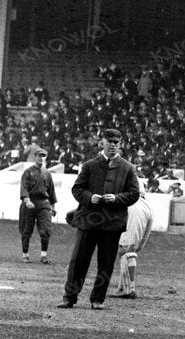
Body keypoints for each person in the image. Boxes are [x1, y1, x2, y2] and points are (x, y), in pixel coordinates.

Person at [59, 128, 142, 310]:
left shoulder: (128, 168)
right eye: (109, 142)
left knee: (106, 264)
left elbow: (134, 194)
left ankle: (97, 299)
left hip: (112, 224)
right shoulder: (89, 165)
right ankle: (69, 297)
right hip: (89, 221)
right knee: (78, 261)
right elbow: (77, 189)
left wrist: (116, 199)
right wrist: (90, 197)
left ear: (120, 145)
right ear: (101, 143)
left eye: (116, 143)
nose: (113, 146)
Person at [18, 145, 57, 264]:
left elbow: (51, 191)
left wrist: (53, 206)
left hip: (43, 204)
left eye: (43, 156)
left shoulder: (47, 173)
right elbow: (24, 188)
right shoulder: (28, 172)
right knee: (26, 230)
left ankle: (43, 256)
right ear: (34, 157)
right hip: (29, 203)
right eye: (39, 156)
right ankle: (25, 254)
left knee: (46, 230)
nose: (41, 158)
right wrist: (27, 200)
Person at [110, 196, 155, 299]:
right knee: (128, 251)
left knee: (125, 251)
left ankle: (128, 289)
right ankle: (124, 288)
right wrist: (141, 244)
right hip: (142, 209)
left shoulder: (131, 198)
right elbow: (149, 226)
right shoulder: (147, 205)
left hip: (133, 207)